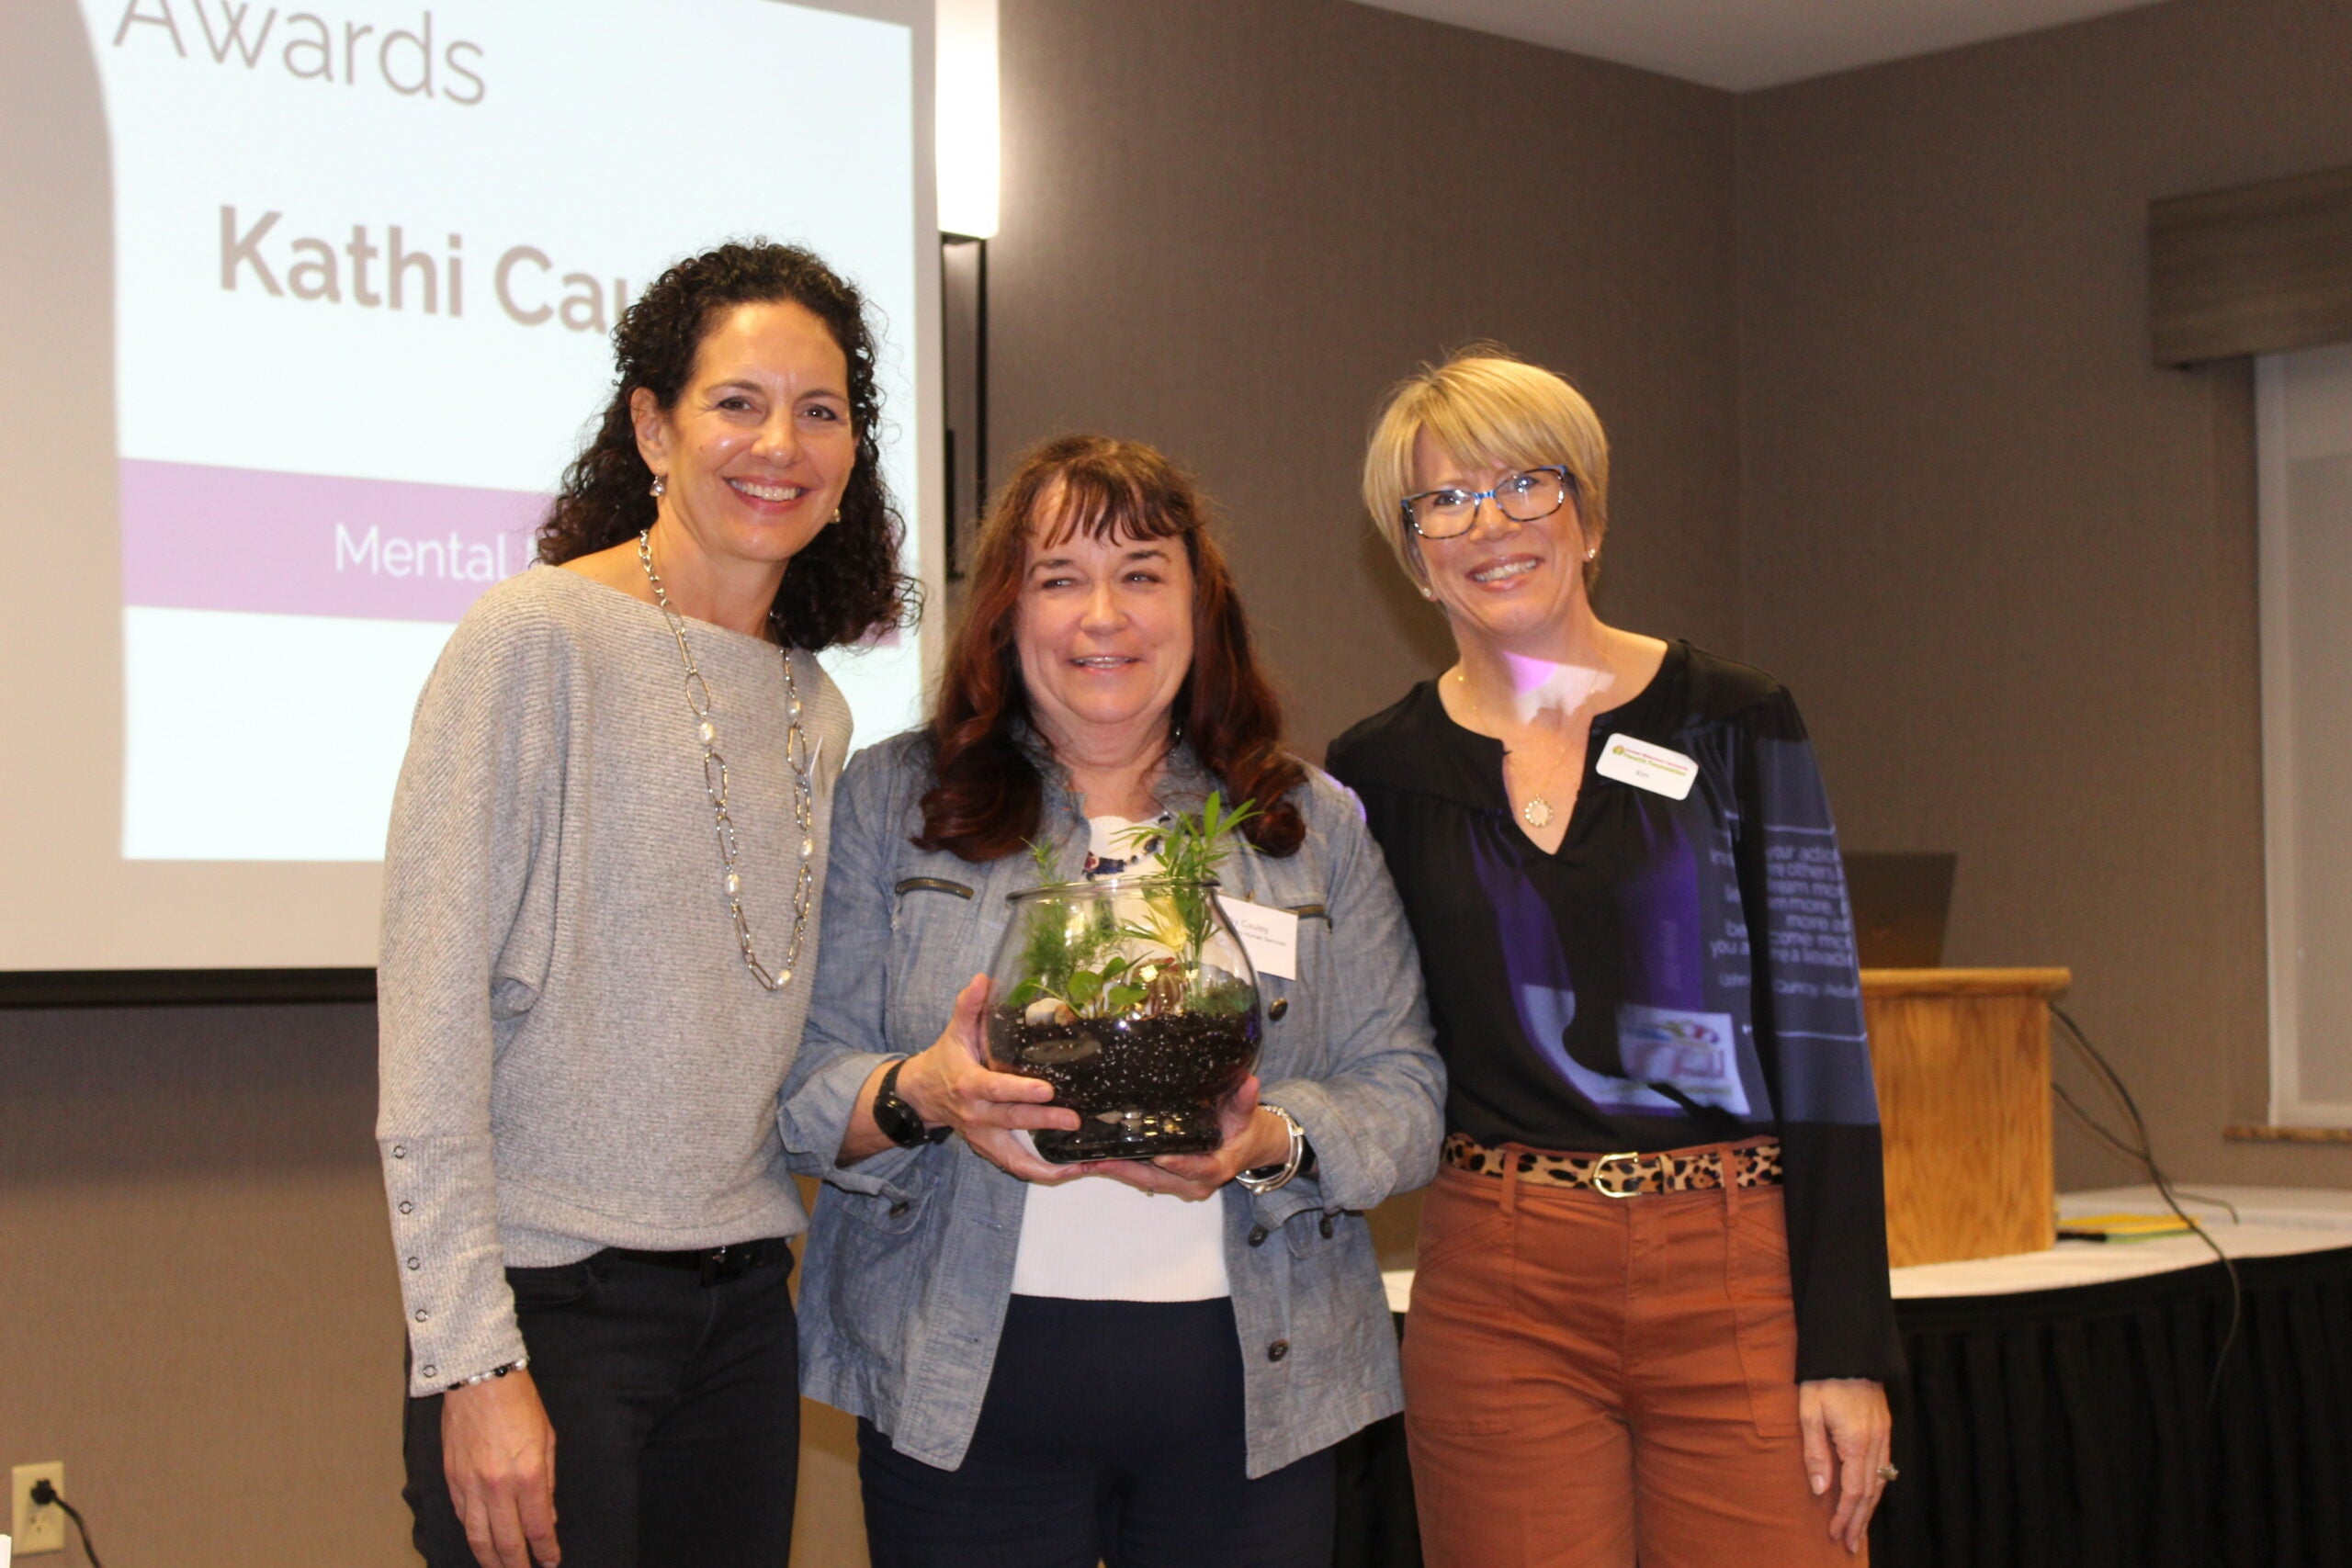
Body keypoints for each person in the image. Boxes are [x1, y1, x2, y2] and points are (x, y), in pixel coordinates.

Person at [778, 435, 1444, 1568]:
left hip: (1255, 1397)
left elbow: (1407, 1093)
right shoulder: (897, 799)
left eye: (1141, 573)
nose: (1104, 615)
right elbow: (797, 1090)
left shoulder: (1304, 819)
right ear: (1005, 611)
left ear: (1200, 604)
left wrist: (1270, 1140)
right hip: (962, 1385)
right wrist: (925, 1093)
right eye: (1058, 577)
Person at [377, 240, 912, 1568]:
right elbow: (428, 1022)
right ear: (652, 426)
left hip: (742, 1307)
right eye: (737, 401)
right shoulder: (533, 639)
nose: (778, 442)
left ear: (852, 455)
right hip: (549, 1308)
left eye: (821, 409)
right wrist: (470, 1356)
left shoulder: (818, 707)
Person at [1326, 349, 1903, 1566]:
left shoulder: (1738, 719)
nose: (1491, 523)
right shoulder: (1377, 770)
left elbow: (1823, 1037)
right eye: (1445, 500)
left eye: (1525, 483)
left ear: (1588, 512)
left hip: (1738, 1267)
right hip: (1499, 1279)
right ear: (1414, 549)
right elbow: (1370, 1034)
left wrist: (1849, 1343)